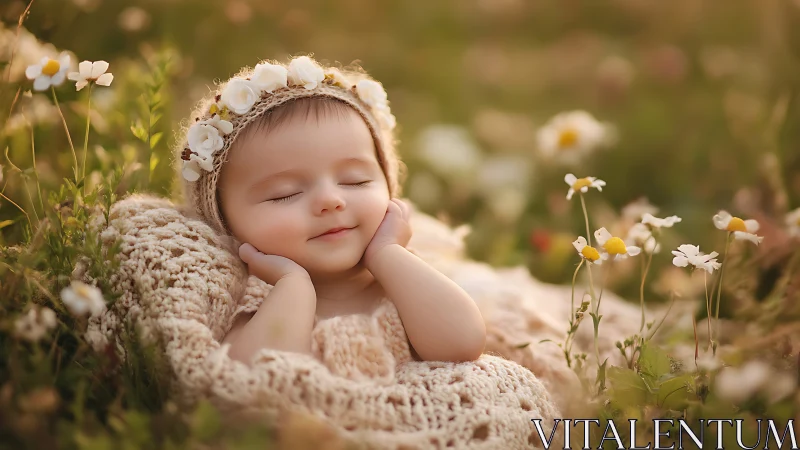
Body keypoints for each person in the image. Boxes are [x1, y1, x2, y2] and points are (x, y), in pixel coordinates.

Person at [176, 55, 487, 369]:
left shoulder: (403, 280)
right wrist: (293, 286)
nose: (330, 200)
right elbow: (257, 379)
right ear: (225, 222)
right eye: (285, 194)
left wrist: (387, 253)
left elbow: (463, 344)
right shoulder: (250, 304)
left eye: (355, 180)